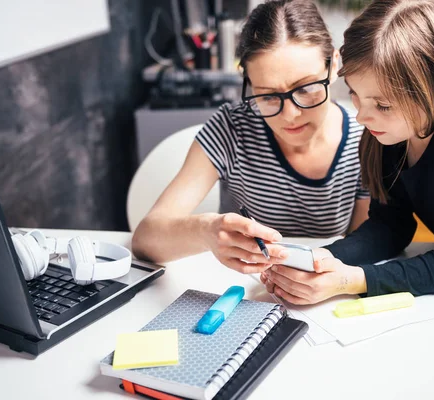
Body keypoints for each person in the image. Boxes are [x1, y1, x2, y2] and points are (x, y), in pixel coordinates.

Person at [260, 0, 434, 351]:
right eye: (356, 96)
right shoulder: (390, 130)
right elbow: (390, 226)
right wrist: (326, 259)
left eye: (382, 104)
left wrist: (349, 280)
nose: (361, 115)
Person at [132, 0, 370, 273]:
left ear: (334, 65)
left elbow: (362, 245)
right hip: (241, 291)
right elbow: (145, 239)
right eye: (267, 95)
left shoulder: (365, 140)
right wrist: (206, 231)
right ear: (248, 82)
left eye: (306, 88)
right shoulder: (230, 130)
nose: (290, 115)